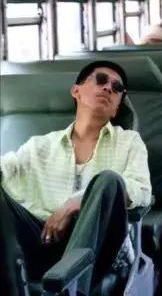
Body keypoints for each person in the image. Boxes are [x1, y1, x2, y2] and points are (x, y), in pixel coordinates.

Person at [0, 61, 152, 294]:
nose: (108, 88)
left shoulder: (129, 142)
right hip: (40, 238)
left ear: (116, 108)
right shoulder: (40, 145)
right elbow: (6, 167)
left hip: (98, 249)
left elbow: (142, 191)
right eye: (100, 80)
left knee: (109, 180)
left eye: (117, 88)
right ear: (76, 91)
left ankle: (73, 287)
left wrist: (78, 201)